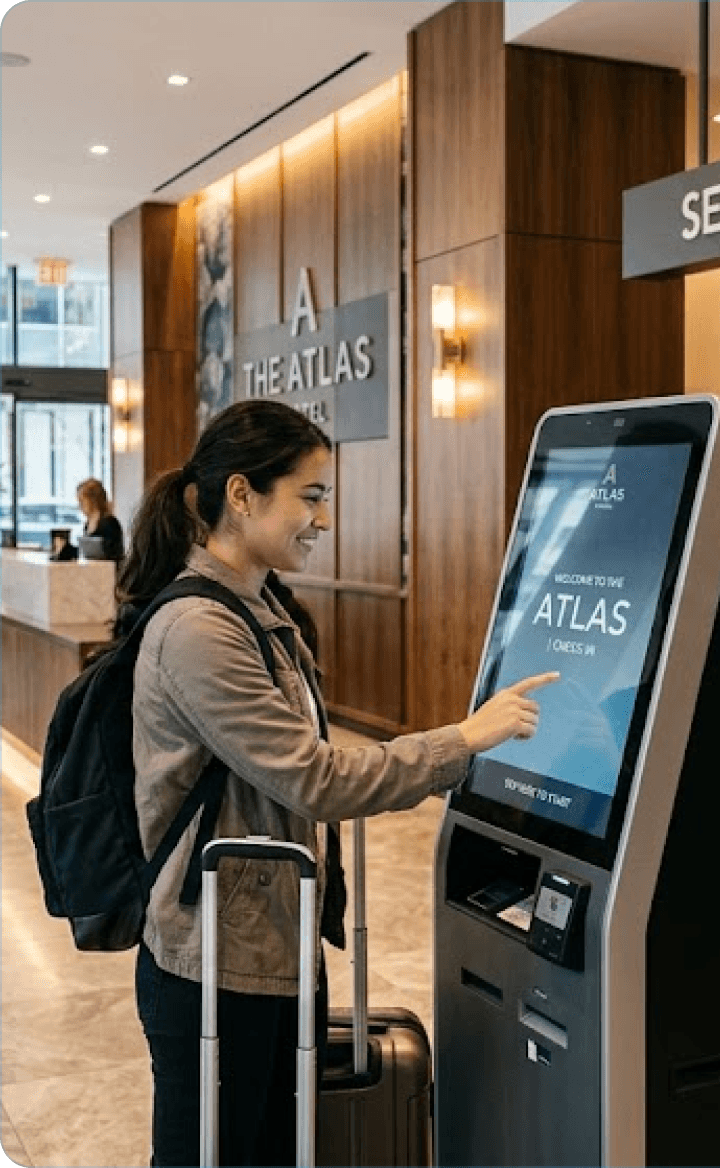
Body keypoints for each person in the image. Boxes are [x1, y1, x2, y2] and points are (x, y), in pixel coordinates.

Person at [120, 399, 557, 1166]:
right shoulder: (199, 631)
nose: (322, 518)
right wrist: (462, 740)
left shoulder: (257, 608)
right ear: (244, 496)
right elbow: (316, 778)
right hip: (215, 966)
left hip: (269, 947)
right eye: (311, 496)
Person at [76, 477, 124, 560]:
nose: (80, 506)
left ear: (93, 500)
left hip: (109, 569)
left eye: (82, 502)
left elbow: (114, 552)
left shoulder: (110, 522)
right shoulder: (88, 524)